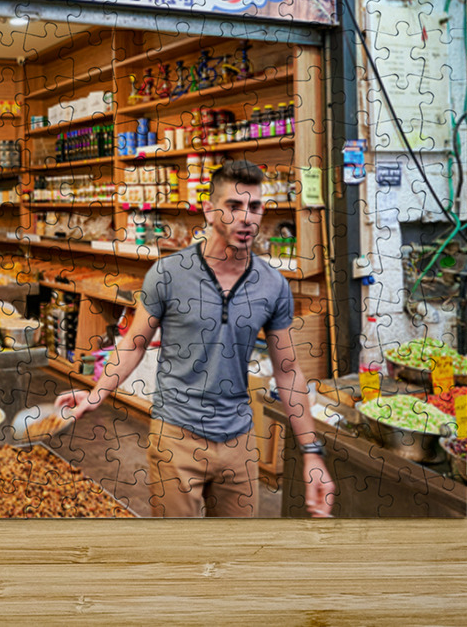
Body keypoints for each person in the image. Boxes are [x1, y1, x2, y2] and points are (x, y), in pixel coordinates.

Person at [56, 159, 336, 517]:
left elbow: (289, 370)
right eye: (234, 206)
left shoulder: (272, 284)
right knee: (179, 556)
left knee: (234, 559)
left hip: (239, 442)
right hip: (176, 438)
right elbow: (134, 343)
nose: (246, 217)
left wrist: (312, 452)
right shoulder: (168, 273)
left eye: (254, 207)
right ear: (209, 209)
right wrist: (98, 393)